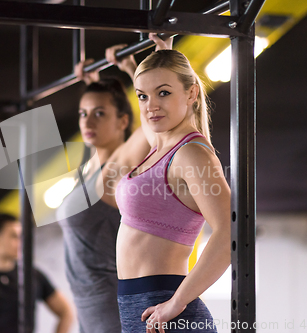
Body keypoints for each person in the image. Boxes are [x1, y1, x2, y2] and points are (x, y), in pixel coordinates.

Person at [96, 47, 231, 332]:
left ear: (192, 94)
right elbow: (149, 112)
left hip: (167, 308)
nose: (151, 105)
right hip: (137, 307)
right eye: (143, 95)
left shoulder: (192, 154)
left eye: (164, 93)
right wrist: (139, 64)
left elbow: (230, 232)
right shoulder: (160, 145)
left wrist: (177, 302)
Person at [55, 35, 173, 333]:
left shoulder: (119, 166)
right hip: (87, 308)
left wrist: (148, 63)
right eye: (83, 113)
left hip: (110, 307)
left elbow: (157, 118)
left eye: (99, 114)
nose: (87, 122)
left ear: (123, 121)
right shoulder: (89, 168)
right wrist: (94, 84)